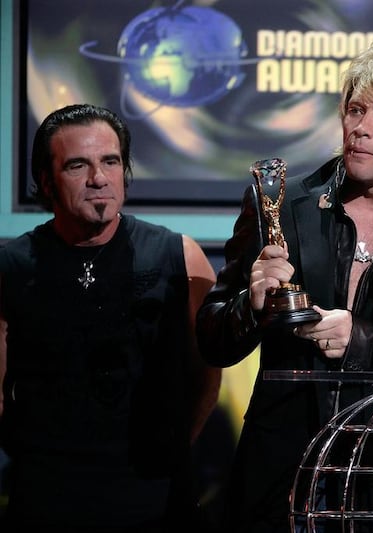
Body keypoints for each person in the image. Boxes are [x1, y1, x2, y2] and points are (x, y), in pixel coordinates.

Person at [196, 40, 373, 532]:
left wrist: (364, 339)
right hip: (281, 483)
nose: (361, 127)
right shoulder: (282, 210)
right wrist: (253, 303)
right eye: (355, 110)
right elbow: (211, 337)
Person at [0, 103, 222, 532]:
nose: (98, 178)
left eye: (111, 161)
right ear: (45, 181)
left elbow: (205, 378)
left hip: (156, 500)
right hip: (44, 500)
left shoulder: (180, 256)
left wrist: (169, 449)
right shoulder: (12, 267)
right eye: (77, 165)